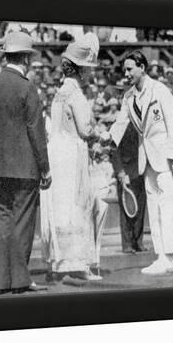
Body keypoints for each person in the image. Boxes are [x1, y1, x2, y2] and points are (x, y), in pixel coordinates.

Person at [0, 31, 51, 295]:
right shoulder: (27, 88)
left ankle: (3, 281)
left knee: (4, 222)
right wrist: (45, 167)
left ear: (6, 55)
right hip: (26, 166)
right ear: (27, 58)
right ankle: (20, 280)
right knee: (23, 224)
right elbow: (36, 131)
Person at [109, 51, 173, 275]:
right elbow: (120, 124)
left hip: (166, 158)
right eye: (124, 69)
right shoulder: (128, 96)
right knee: (154, 206)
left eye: (130, 69)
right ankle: (161, 256)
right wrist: (103, 137)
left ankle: (168, 257)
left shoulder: (159, 90)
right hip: (147, 159)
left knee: (167, 206)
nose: (126, 73)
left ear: (142, 68)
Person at [39, 38, 104, 283]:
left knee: (62, 206)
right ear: (81, 69)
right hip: (72, 154)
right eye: (88, 68)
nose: (90, 73)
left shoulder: (58, 93)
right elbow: (86, 129)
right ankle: (77, 264)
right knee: (77, 205)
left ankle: (59, 262)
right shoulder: (76, 94)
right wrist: (100, 133)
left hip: (57, 153)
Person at [111, 121, 147, 253]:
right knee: (127, 211)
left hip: (141, 173)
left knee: (141, 210)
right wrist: (120, 171)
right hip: (125, 174)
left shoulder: (142, 125)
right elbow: (113, 151)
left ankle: (138, 242)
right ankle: (127, 244)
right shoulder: (118, 127)